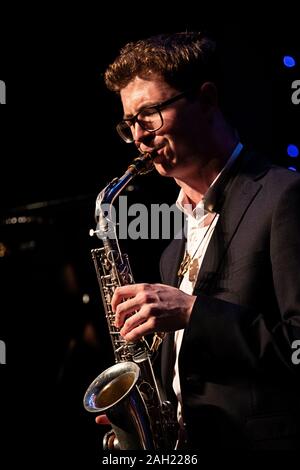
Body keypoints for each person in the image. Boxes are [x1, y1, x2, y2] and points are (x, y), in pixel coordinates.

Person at [95, 31, 300, 450]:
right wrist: (146, 422)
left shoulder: (284, 196)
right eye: (130, 123)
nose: (139, 136)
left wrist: (194, 312)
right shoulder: (174, 245)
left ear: (206, 100)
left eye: (149, 114)